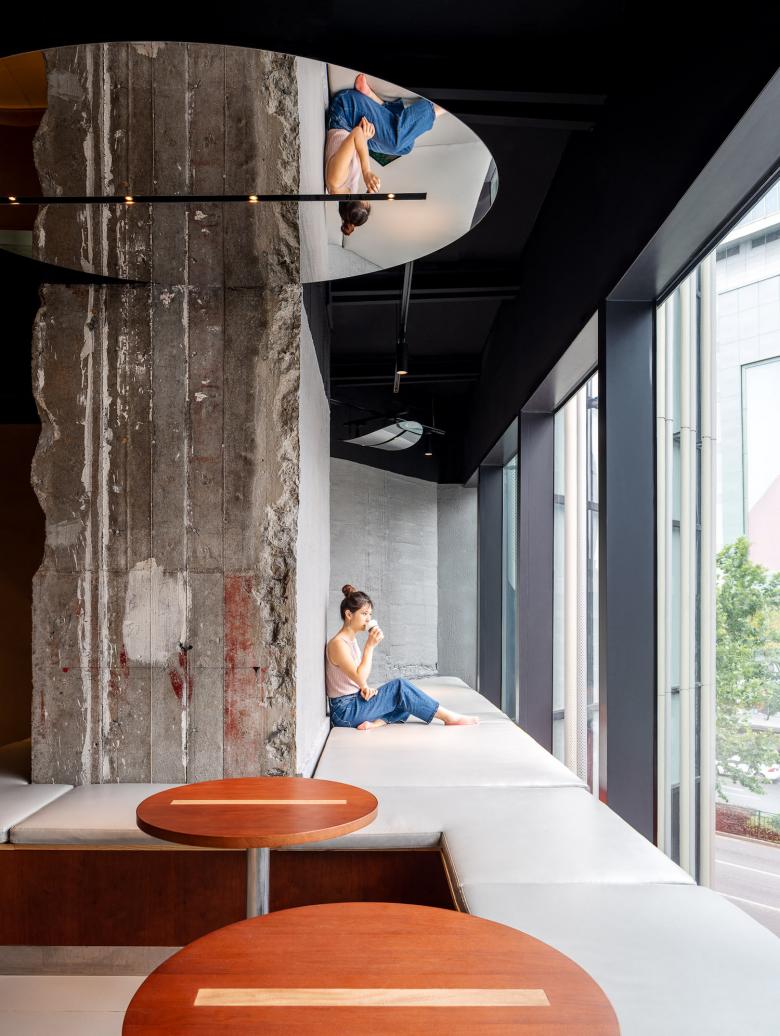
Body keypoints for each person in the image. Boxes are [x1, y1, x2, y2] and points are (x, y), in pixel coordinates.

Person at [325, 583, 480, 730]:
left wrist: (364, 688)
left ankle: (376, 723)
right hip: (345, 712)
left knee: (409, 699)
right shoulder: (338, 644)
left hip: (354, 702)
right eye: (364, 614)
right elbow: (360, 676)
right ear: (349, 614)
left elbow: (355, 678)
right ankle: (448, 717)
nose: (368, 619)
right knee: (401, 688)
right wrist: (369, 647)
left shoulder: (350, 640)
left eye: (370, 614)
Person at [324, 73, 444, 236]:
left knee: (396, 141)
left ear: (353, 199)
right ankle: (376, 101)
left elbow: (356, 133)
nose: (366, 193)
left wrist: (366, 172)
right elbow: (353, 145)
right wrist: (365, 139)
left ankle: (435, 108)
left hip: (345, 111)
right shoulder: (348, 190)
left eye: (364, 197)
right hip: (354, 131)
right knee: (404, 148)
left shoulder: (336, 180)